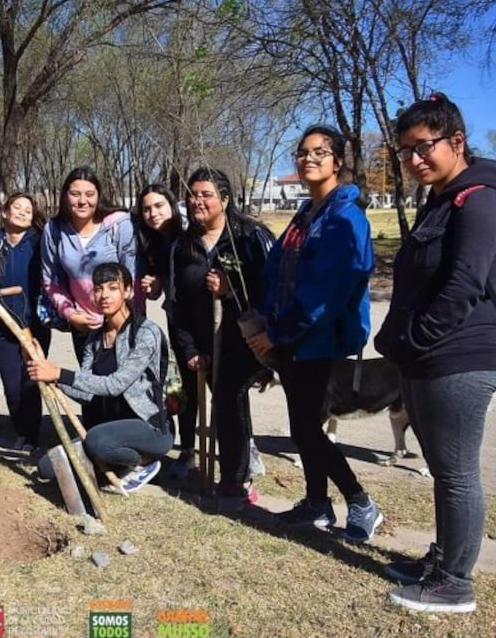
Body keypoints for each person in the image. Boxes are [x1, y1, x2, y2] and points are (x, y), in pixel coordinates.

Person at [373, 94, 496, 613]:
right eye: (405, 151)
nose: (414, 160)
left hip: (461, 357)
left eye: (423, 147)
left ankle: (455, 583)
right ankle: (441, 560)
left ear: (456, 142)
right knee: (444, 468)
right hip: (431, 359)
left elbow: (465, 284)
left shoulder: (481, 201)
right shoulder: (443, 199)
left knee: (458, 472)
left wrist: (414, 340)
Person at [247, 125, 382, 543]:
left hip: (317, 340)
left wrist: (279, 333)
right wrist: (266, 320)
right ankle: (316, 503)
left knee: (307, 428)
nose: (309, 159)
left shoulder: (346, 217)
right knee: (302, 426)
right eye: (303, 152)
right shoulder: (307, 214)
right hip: (290, 338)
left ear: (337, 162)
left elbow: (327, 292)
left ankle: (360, 502)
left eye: (319, 152)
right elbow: (276, 272)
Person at [168, 167, 273, 502]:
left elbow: (270, 292)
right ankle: (232, 472)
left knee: (229, 404)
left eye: (206, 194)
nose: (197, 201)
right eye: (193, 194)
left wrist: (231, 289)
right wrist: (188, 350)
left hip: (243, 344)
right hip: (202, 344)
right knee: (222, 406)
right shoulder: (183, 247)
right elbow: (176, 304)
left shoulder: (248, 237)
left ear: (225, 200)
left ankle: (235, 480)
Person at [28, 262, 173, 493]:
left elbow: (116, 384)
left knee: (97, 441)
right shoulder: (95, 339)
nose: (104, 295)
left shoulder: (145, 333)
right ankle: (113, 466)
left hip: (148, 428)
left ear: (127, 291)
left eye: (113, 287)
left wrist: (60, 373)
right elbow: (86, 393)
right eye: (98, 289)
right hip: (107, 429)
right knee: (49, 467)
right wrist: (52, 376)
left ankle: (142, 462)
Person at [41, 167, 138, 368]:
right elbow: (51, 280)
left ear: (99, 196)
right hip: (82, 324)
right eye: (75, 194)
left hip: (120, 322)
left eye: (90, 194)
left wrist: (123, 320)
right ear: (65, 196)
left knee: (120, 388)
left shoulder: (118, 225)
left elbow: (131, 278)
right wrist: (71, 314)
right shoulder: (54, 229)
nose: (82, 201)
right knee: (90, 388)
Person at [0, 193, 52, 452]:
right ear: (5, 213)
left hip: (34, 326)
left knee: (30, 381)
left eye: (28, 210)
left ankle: (31, 437)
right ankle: (20, 430)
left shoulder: (39, 242)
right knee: (12, 385)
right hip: (2, 325)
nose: (22, 212)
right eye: (16, 208)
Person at [133, 184, 194, 480]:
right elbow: (159, 289)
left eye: (158, 206)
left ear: (171, 205)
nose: (152, 213)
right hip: (177, 321)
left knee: (225, 389)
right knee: (185, 388)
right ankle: (189, 450)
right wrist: (156, 283)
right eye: (146, 209)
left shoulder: (189, 233)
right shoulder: (154, 243)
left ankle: (246, 447)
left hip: (206, 320)